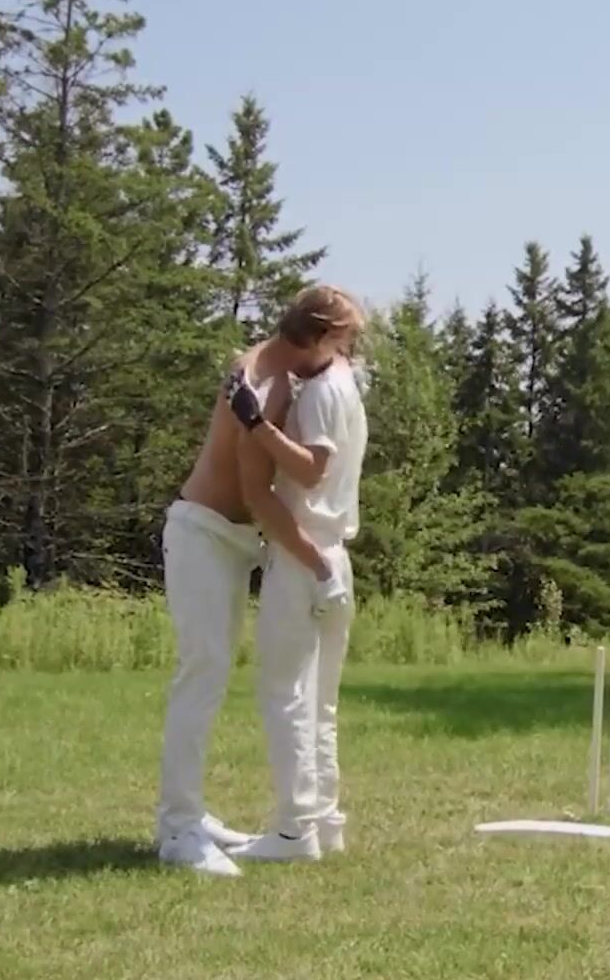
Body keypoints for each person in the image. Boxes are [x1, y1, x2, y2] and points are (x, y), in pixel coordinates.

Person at [153, 286, 362, 878]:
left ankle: (195, 816)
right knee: (204, 671)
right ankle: (177, 828)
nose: (349, 352)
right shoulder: (257, 385)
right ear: (320, 335)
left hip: (240, 541)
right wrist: (316, 562)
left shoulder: (290, 375)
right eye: (345, 339)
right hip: (204, 533)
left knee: (218, 674)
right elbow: (257, 495)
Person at [223, 292, 368, 863]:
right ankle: (325, 822)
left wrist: (255, 423)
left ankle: (293, 830)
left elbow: (311, 469)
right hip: (333, 557)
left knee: (286, 695)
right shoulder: (341, 382)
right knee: (320, 700)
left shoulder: (324, 392)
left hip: (304, 553)